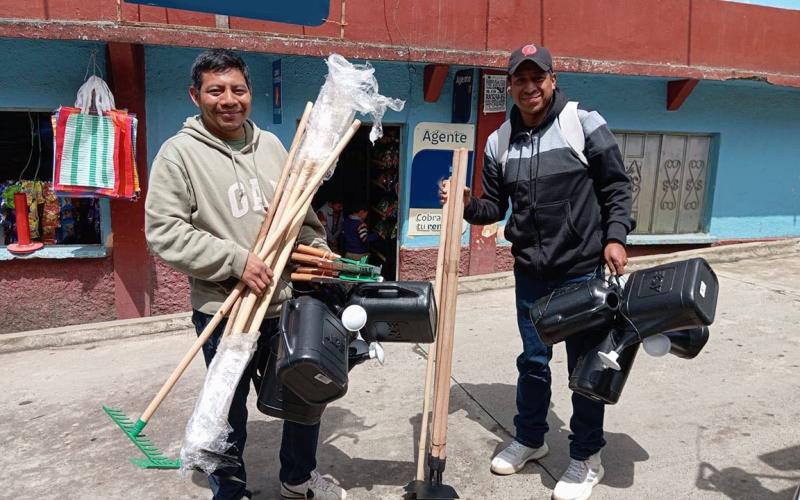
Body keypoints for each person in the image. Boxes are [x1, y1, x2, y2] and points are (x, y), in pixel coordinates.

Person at [145, 49, 346, 500]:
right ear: (195, 95)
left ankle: (297, 478)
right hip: (225, 308)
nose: (228, 99)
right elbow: (164, 231)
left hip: (285, 304)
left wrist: (319, 251)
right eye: (216, 90)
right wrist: (237, 261)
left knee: (303, 396)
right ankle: (231, 490)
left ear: (250, 93)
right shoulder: (178, 156)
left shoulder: (274, 147)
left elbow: (300, 217)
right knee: (227, 410)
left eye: (238, 89)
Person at [440, 43, 634, 500]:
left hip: (583, 270)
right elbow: (492, 209)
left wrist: (616, 236)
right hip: (530, 273)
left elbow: (617, 186)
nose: (529, 87)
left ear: (552, 80)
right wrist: (468, 203)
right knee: (532, 362)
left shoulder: (583, 124)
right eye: (520, 79)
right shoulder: (498, 141)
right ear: (511, 85)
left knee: (586, 368)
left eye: (537, 78)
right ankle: (531, 437)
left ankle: (586, 457)